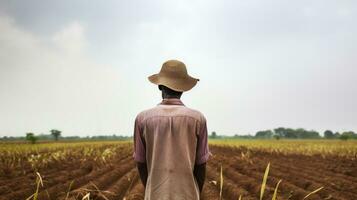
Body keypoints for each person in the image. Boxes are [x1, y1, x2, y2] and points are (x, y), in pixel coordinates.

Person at [133, 59, 210, 200]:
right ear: (183, 89)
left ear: (159, 86)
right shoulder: (198, 119)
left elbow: (141, 163)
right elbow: (201, 165)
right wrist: (195, 192)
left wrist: (151, 189)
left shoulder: (142, 119)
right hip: (188, 195)